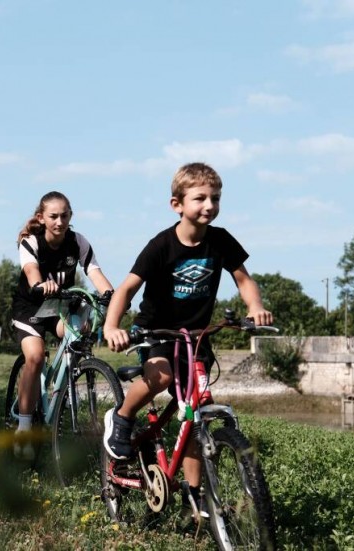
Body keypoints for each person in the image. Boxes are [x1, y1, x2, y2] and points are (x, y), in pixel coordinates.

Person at [101, 162, 273, 517]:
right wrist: (111, 326)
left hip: (196, 337)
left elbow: (243, 280)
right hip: (158, 332)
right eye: (200, 198)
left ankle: (193, 497)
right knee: (160, 377)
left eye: (215, 198)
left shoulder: (221, 240)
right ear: (176, 204)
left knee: (197, 418)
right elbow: (127, 288)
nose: (209, 205)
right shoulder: (161, 245)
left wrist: (255, 305)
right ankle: (122, 416)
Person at [11, 191, 114, 460]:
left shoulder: (78, 241)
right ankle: (23, 426)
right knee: (34, 357)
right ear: (41, 218)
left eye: (64, 215)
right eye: (53, 216)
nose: (59, 221)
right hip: (31, 307)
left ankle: (64, 384)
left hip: (59, 306)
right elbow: (32, 271)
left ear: (71, 216)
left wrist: (112, 297)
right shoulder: (30, 241)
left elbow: (95, 273)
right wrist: (40, 284)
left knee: (79, 333)